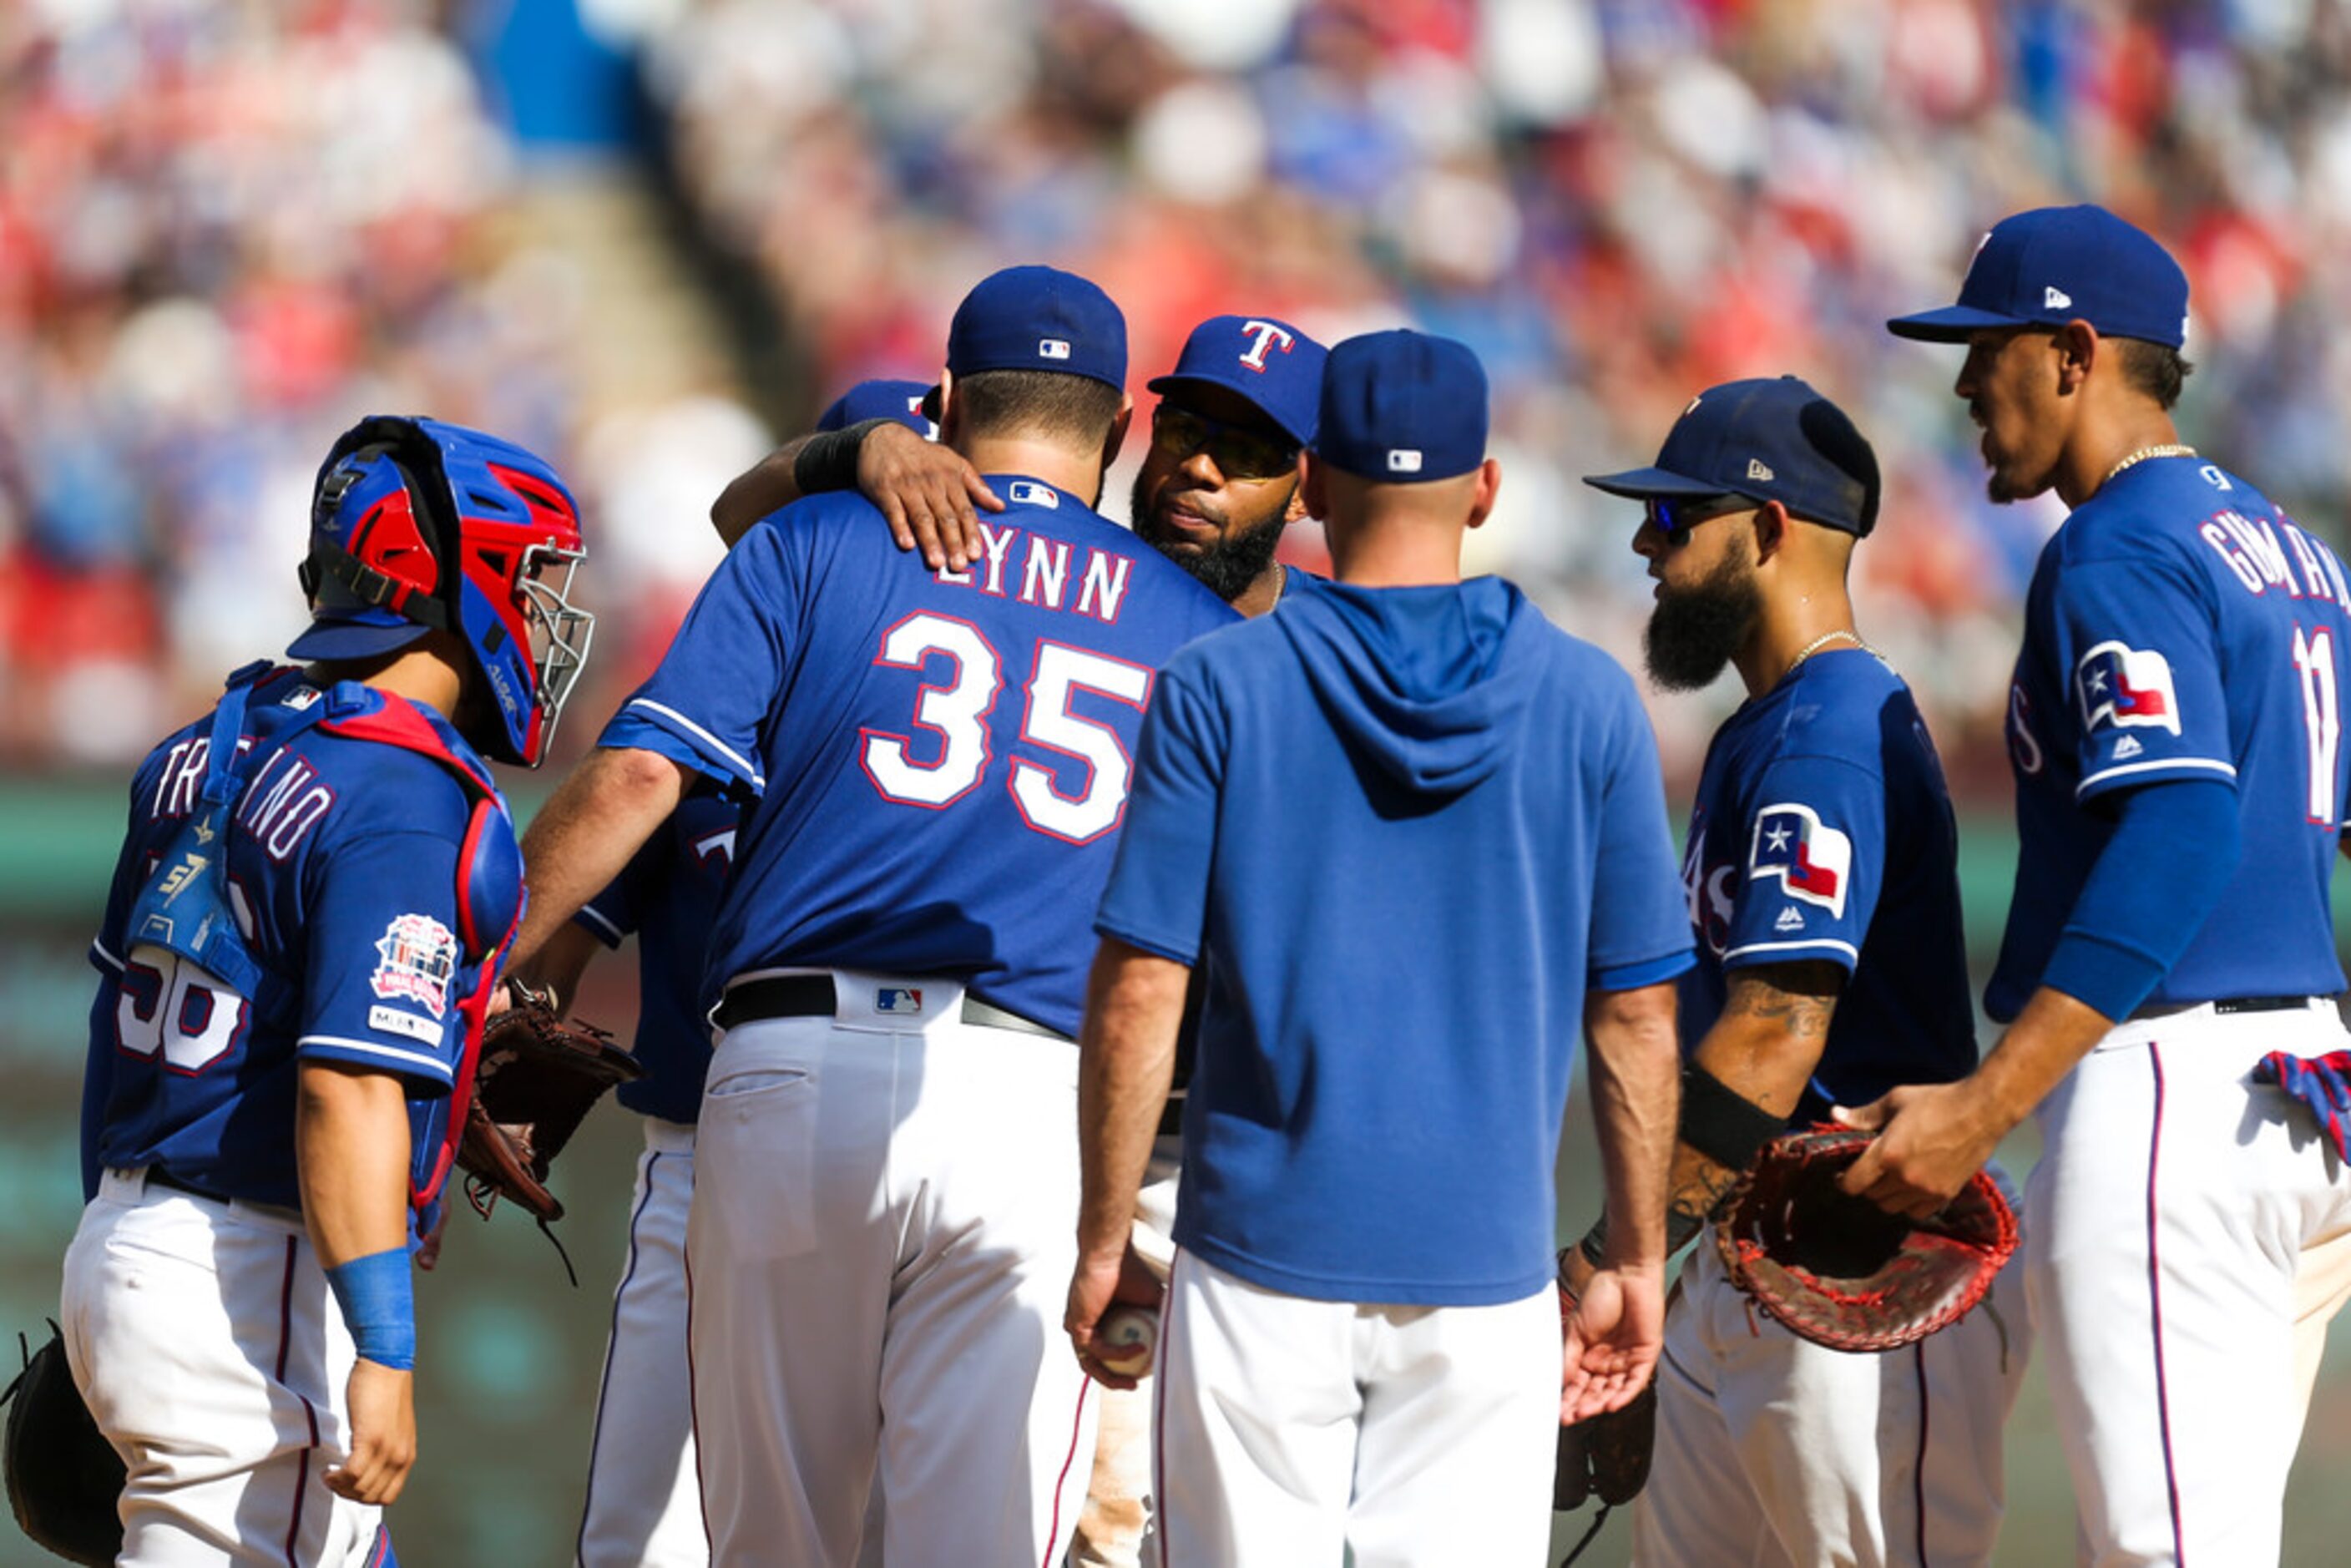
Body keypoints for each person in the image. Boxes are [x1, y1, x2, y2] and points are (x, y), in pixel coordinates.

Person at [504, 265, 1237, 1567]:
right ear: (1118, 428)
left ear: (946, 403)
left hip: (791, 1074)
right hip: (1034, 1098)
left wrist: (462, 977)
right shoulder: (1193, 627)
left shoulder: (814, 541)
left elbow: (633, 777)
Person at [709, 314, 1331, 1568]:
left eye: (1248, 448)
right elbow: (747, 521)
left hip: (1194, 1169)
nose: (1202, 467)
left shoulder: (1315, 652)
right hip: (1033, 1122)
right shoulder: (1012, 551)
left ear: (1302, 484)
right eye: (1190, 427)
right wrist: (859, 447)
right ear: (1131, 431)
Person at [1068, 329, 1692, 1565]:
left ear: (1311, 488)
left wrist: (1102, 1234)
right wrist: (1632, 1251)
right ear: (1485, 488)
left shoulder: (1216, 682)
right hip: (1486, 1270)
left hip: (1258, 1254)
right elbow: (1634, 1018)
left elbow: (1143, 982)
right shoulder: (1587, 698)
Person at [1865, 203, 2351, 1564]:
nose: (1966, 381)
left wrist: (1986, 1102)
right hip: (2308, 1094)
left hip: (2172, 1099)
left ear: (2075, 353)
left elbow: (2181, 829)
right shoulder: (2299, 553)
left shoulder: (2116, 546)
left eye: (1990, 349)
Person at [62, 415, 593, 1564]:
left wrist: (113, 1265)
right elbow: (347, 1085)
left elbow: (113, 1042)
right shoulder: (402, 787)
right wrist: (385, 1349)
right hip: (257, 1274)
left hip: (134, 1233)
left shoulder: (204, 741)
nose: (547, 615)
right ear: (452, 575)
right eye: (530, 576)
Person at [1574, 376, 2027, 1565]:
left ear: (1768, 530)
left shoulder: (1830, 728)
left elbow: (1776, 1036)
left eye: (1677, 520)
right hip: (1751, 1268)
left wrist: (1618, 1255)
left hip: (1863, 1281)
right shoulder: (1763, 728)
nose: (1645, 543)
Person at [518, 380, 935, 1568]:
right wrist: (504, 1004)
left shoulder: (968, 759)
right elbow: (564, 938)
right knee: (646, 1539)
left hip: (922, 1145)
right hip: (701, 1157)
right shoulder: (708, 731)